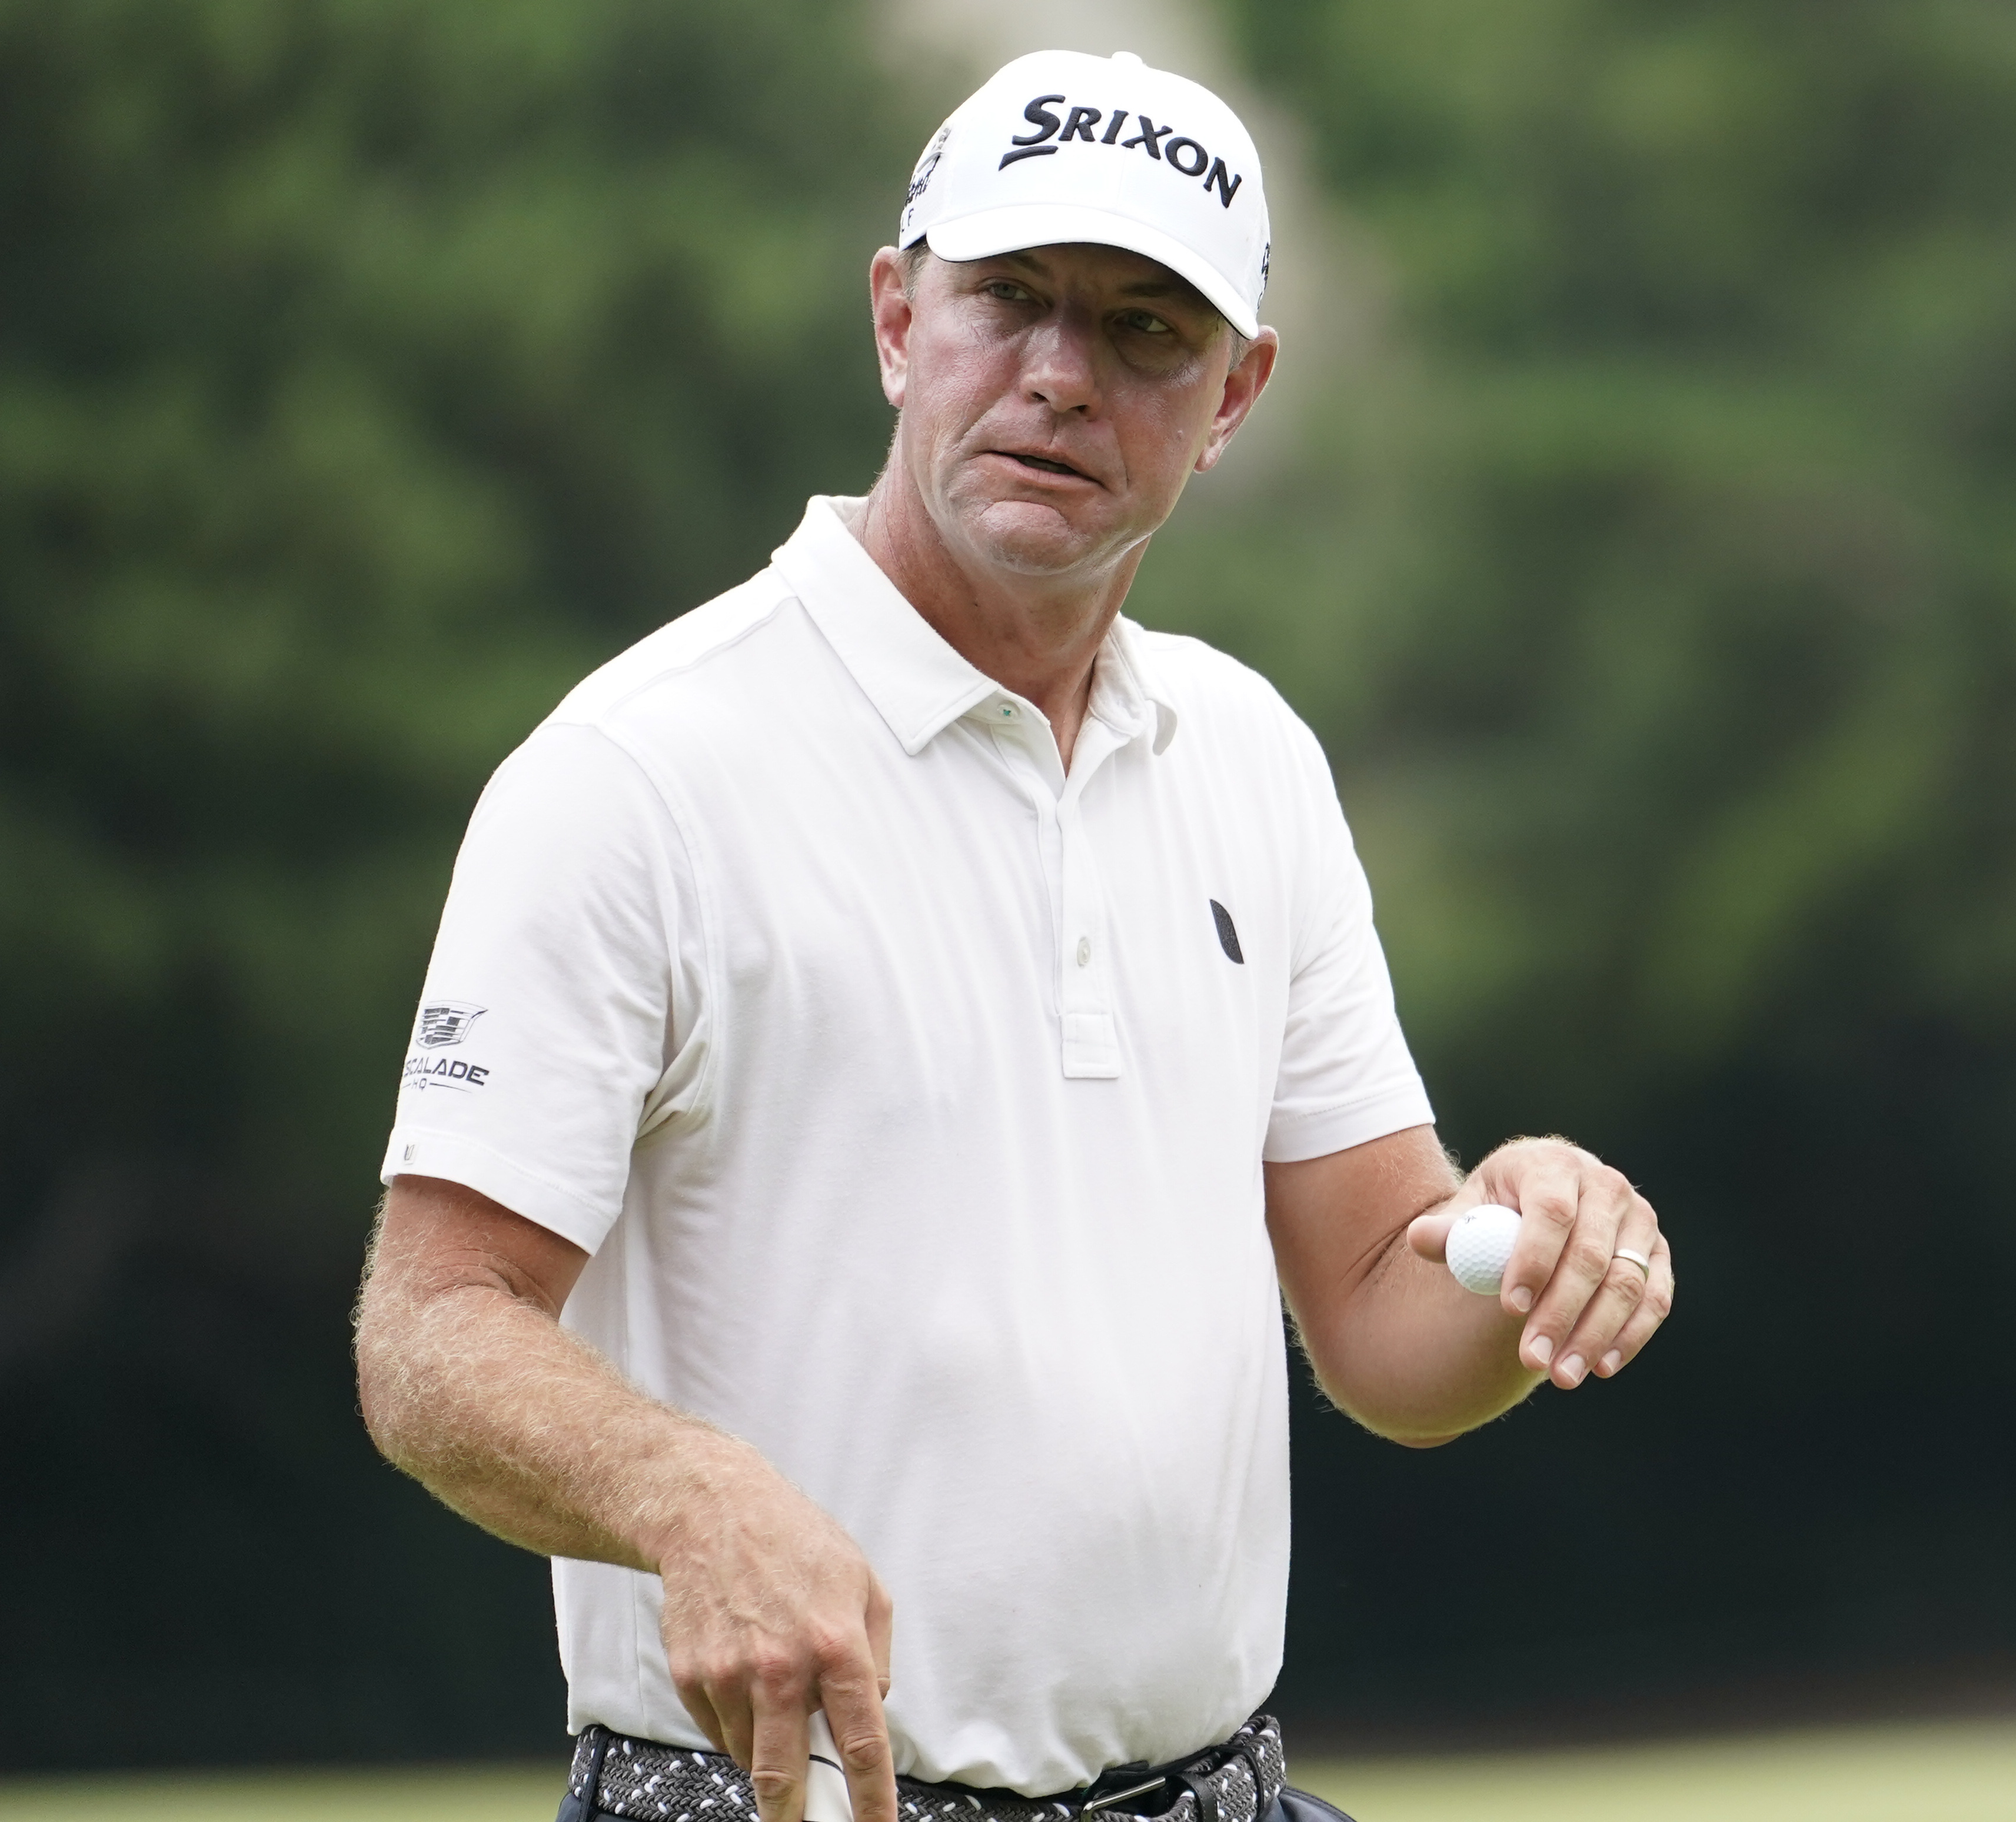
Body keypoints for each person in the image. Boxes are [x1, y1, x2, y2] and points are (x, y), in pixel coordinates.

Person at [352, 48, 1673, 1822]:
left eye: (1147, 331)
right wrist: (686, 1493)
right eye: (1012, 301)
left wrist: (1532, 1251)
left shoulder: (1250, 758)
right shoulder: (635, 772)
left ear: (1236, 394)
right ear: (900, 317)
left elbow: (1378, 1312)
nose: (1063, 375)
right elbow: (432, 1329)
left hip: (1219, 1790)